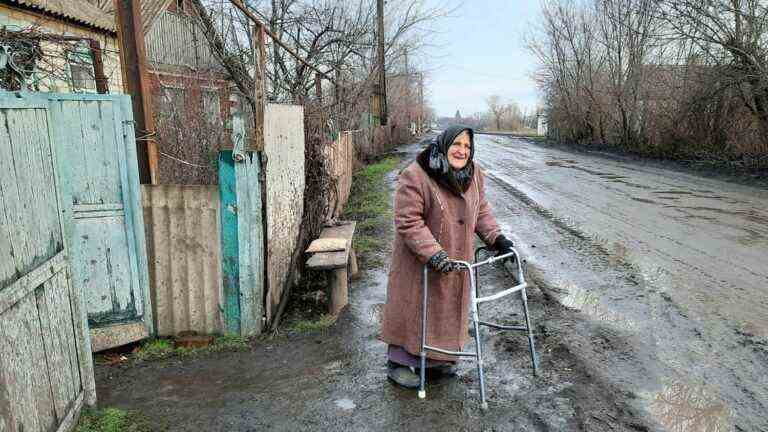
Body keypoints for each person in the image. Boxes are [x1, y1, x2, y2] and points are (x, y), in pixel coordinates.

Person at [380, 125, 515, 388]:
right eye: (456, 144)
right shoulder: (417, 174)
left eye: (467, 146)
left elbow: (481, 210)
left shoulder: (474, 175)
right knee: (416, 309)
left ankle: (435, 363)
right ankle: (397, 363)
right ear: (444, 144)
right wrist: (433, 254)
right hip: (421, 261)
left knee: (444, 312)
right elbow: (408, 221)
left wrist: (496, 238)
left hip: (455, 258)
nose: (462, 150)